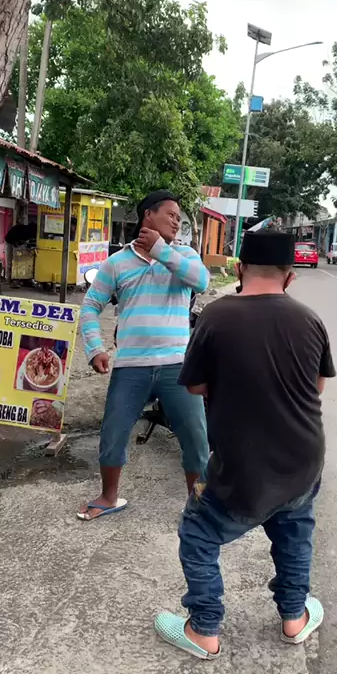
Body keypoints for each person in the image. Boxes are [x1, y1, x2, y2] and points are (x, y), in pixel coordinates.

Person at [154, 229, 336, 658]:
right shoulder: (309, 319)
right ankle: (294, 618)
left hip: (242, 462)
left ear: (239, 270)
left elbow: (195, 386)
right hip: (304, 459)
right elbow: (318, 386)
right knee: (294, 530)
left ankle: (204, 629)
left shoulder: (217, 316)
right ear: (290, 276)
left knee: (198, 531)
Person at [77, 190, 210, 521]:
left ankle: (199, 506)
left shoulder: (185, 255)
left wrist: (161, 250)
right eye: (171, 215)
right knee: (113, 433)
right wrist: (95, 348)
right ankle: (109, 496)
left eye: (179, 218)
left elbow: (201, 282)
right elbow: (90, 306)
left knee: (196, 439)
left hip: (178, 366)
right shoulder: (117, 262)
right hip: (131, 366)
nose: (177, 222)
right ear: (148, 215)